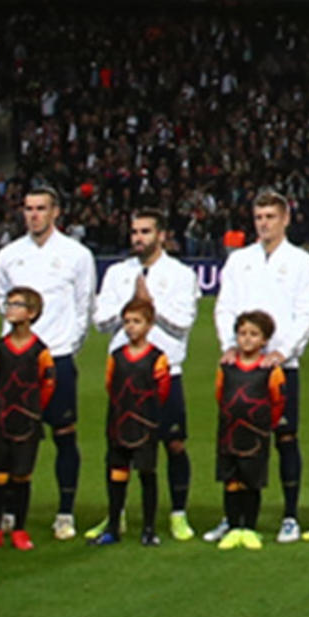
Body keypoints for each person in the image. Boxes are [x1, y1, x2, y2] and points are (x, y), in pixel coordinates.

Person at [214, 191, 309, 543]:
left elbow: (308, 312)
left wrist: (284, 350)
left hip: (279, 366)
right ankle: (235, 518)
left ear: (286, 219)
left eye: (270, 217)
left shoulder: (302, 263)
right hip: (241, 366)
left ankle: (290, 515)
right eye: (259, 217)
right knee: (237, 440)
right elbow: (224, 306)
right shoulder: (239, 260)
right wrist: (228, 345)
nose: (264, 223)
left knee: (285, 438)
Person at [0, 185, 98, 539]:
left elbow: (85, 306)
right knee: (12, 436)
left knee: (64, 436)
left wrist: (65, 347)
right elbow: (1, 304)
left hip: (57, 356)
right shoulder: (8, 255)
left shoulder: (77, 255)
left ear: (56, 212)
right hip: (16, 361)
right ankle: (9, 512)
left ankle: (65, 513)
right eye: (28, 208)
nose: (34, 214)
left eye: (41, 208)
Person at [92, 209, 201, 542]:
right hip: (126, 375)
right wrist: (130, 303)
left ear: (162, 235)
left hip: (166, 372)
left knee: (174, 444)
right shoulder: (116, 274)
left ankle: (178, 514)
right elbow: (99, 321)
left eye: (145, 231)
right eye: (134, 231)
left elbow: (184, 322)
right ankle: (116, 515)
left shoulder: (181, 274)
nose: (138, 237)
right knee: (119, 446)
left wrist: (150, 304)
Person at [0, 286, 53, 551]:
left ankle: (19, 529)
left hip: (27, 421)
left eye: (16, 304)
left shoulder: (41, 351)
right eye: (8, 304)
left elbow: (47, 386)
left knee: (22, 476)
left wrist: (30, 410)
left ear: (31, 313)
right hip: (1, 420)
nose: (9, 309)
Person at [95, 296, 176, 546]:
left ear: (149, 325)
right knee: (117, 474)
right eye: (127, 321)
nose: (131, 327)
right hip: (118, 423)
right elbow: (111, 385)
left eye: (137, 321)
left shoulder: (157, 358)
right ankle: (113, 525)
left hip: (144, 425)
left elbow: (162, 391)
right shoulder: (116, 356)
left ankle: (149, 528)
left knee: (146, 473)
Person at [212, 310, 296, 551]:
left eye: (253, 334)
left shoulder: (271, 369)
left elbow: (278, 400)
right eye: (242, 334)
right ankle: (233, 526)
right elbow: (220, 394)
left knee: (251, 480)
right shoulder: (226, 366)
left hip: (255, 434)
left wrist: (264, 423)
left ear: (264, 340)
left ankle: (249, 527)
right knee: (231, 480)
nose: (247, 339)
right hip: (229, 432)